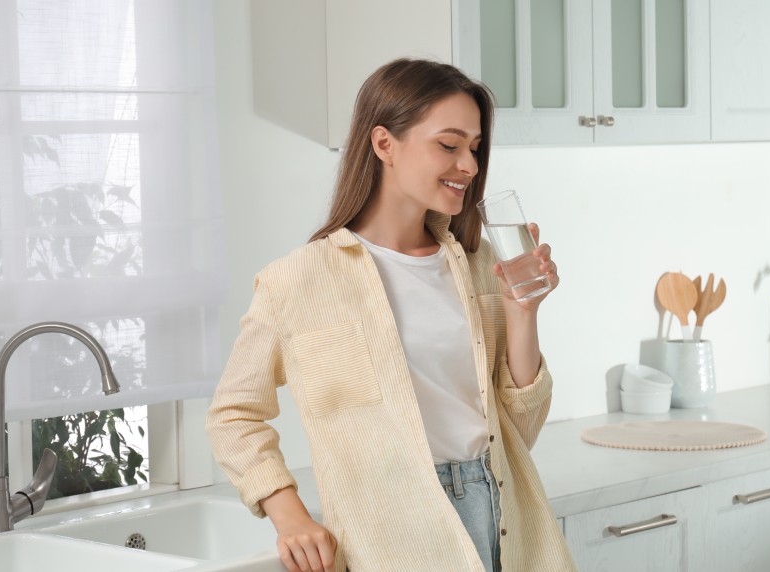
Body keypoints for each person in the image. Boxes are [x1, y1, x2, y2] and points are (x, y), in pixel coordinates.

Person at [205, 58, 576, 572]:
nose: (468, 165)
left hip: (503, 513)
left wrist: (522, 312)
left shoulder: (483, 265)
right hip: (390, 535)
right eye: (449, 145)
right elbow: (234, 413)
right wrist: (288, 514)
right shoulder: (298, 280)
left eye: (474, 147)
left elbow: (522, 431)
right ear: (384, 144)